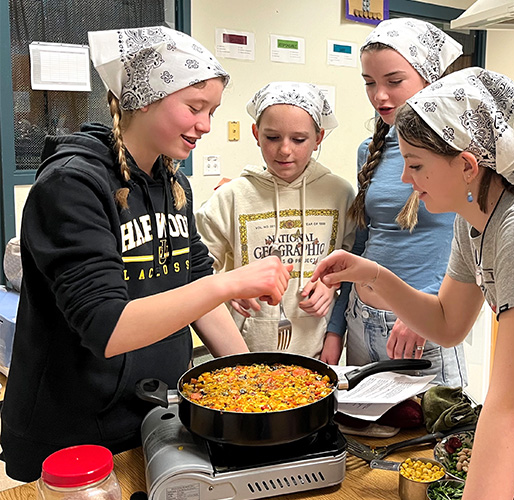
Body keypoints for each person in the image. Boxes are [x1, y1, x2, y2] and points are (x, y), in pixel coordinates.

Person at [0, 26, 291, 482]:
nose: (206, 126)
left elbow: (197, 292)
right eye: (194, 108)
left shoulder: (173, 183)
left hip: (153, 414)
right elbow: (107, 327)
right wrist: (228, 281)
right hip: (72, 436)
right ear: (143, 99)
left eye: (212, 111)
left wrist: (251, 379)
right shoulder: (72, 184)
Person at [313, 67, 514, 500]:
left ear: (468, 166)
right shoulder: (474, 216)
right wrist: (374, 274)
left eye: (416, 165)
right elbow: (447, 321)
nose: (406, 179)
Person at [326, 18, 468, 385]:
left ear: (429, 80)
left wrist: (429, 311)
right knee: (362, 436)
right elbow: (361, 243)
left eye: (394, 81)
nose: (379, 96)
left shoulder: (462, 154)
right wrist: (336, 327)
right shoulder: (368, 151)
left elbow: (471, 243)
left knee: (432, 436)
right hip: (362, 318)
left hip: (420, 327)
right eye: (370, 83)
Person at [196, 82, 355, 361]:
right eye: (272, 137)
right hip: (244, 351)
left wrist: (332, 286)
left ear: (319, 137)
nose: (284, 150)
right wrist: (228, 286)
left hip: (316, 350)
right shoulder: (231, 197)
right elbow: (196, 268)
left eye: (299, 139)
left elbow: (354, 263)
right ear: (256, 134)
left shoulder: (339, 195)